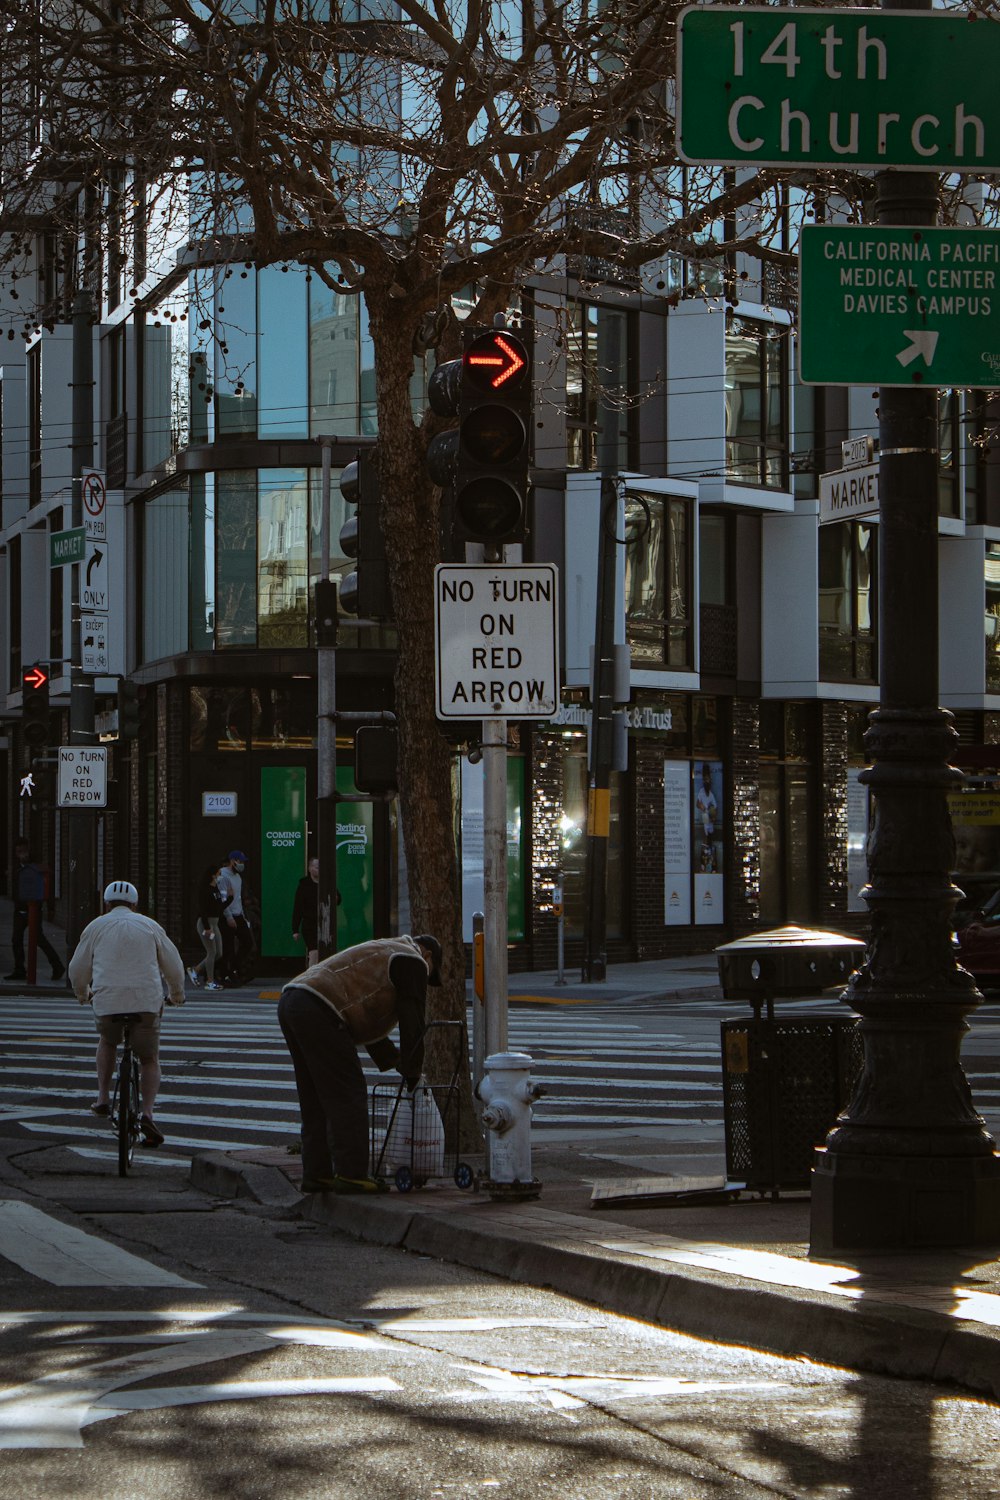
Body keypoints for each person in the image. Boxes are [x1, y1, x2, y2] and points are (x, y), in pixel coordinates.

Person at [277, 933, 442, 1194]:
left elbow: (365, 1014)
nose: (425, 979)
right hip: (320, 1007)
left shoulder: (384, 949)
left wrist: (394, 1060)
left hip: (293, 999)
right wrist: (413, 1072)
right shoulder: (413, 960)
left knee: (315, 1095)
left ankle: (317, 1174)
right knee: (348, 1091)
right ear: (429, 956)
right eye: (430, 974)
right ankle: (351, 1174)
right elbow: (413, 1020)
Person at [68, 878, 185, 1147]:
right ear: (135, 904)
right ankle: (147, 1113)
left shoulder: (96, 927)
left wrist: (83, 994)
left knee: (108, 1041)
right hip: (146, 1002)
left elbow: (77, 969)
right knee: (149, 1058)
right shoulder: (150, 926)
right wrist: (176, 995)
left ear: (106, 903)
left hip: (108, 1002)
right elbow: (174, 966)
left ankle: (103, 1099)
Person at [5, 839, 64, 983]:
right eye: (19, 852)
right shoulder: (18, 868)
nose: (22, 855)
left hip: (33, 907)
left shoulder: (35, 867)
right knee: (16, 939)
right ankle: (19, 969)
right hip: (20, 908)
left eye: (24, 851)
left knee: (39, 939)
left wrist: (49, 907)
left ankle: (57, 966)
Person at [187, 864, 229, 990]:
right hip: (206, 923)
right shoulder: (205, 890)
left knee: (219, 953)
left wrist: (230, 898)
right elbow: (203, 910)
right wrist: (206, 927)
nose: (220, 876)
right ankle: (210, 981)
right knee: (211, 952)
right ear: (213, 875)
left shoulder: (215, 889)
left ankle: (195, 969)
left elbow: (219, 906)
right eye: (218, 874)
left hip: (215, 923)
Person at [216, 849, 254, 986]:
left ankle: (234, 967)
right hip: (228, 916)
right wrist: (228, 916)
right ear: (233, 861)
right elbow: (223, 898)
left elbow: (237, 898)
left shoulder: (238, 877)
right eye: (240, 861)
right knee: (228, 947)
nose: (242, 864)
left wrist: (243, 916)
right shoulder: (223, 876)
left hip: (238, 914)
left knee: (247, 942)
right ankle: (227, 972)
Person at [292, 857, 320, 968]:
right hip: (309, 923)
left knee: (323, 951)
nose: (318, 869)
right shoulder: (304, 886)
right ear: (310, 869)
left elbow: (337, 897)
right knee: (314, 951)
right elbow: (297, 907)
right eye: (316, 867)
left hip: (324, 922)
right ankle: (311, 976)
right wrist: (295, 929)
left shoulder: (326, 883)